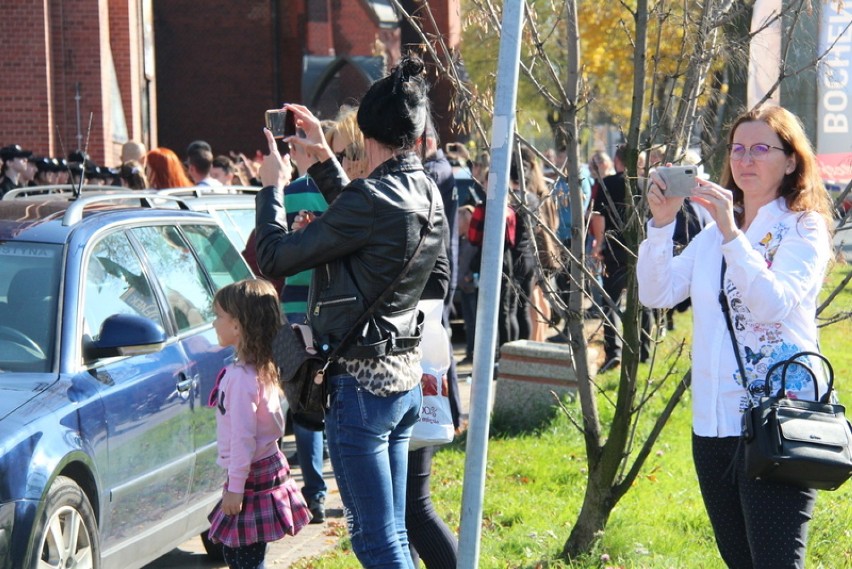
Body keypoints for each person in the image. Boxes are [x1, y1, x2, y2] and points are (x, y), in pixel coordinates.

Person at [254, 55, 449, 568]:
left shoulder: (372, 198)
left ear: (366, 128)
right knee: (394, 535)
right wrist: (323, 162)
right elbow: (380, 227)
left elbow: (272, 257)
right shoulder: (427, 192)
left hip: (362, 389)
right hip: (402, 379)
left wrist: (271, 188)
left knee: (374, 540)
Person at [637, 105, 834, 568]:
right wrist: (662, 224)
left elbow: (772, 303)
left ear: (790, 161)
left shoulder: (802, 227)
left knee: (775, 563)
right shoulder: (713, 235)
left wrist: (730, 231)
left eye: (761, 149)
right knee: (740, 561)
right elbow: (657, 293)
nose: (745, 159)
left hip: (777, 419)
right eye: (738, 149)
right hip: (714, 423)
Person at [207, 279, 311, 569]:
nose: (214, 323)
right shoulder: (258, 369)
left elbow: (243, 437)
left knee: (243, 558)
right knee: (243, 555)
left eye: (218, 316)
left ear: (238, 326)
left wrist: (235, 487)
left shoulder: (241, 379)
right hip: (262, 466)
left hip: (250, 474)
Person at [590, 144, 652, 371]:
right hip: (643, 249)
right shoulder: (647, 185)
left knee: (610, 302)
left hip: (615, 250)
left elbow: (598, 216)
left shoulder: (607, 184)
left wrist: (598, 243)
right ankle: (644, 349)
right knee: (643, 301)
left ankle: (613, 350)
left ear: (617, 161)